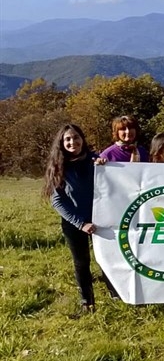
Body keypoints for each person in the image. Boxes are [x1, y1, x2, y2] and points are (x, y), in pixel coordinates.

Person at [43, 124, 117, 313]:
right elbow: (58, 202)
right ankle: (87, 302)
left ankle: (115, 295)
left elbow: (113, 184)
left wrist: (104, 166)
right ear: (62, 143)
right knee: (82, 262)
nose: (72, 142)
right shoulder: (58, 167)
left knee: (107, 259)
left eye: (76, 137)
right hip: (74, 224)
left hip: (102, 220)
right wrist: (80, 223)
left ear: (82, 139)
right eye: (67, 139)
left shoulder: (96, 161)